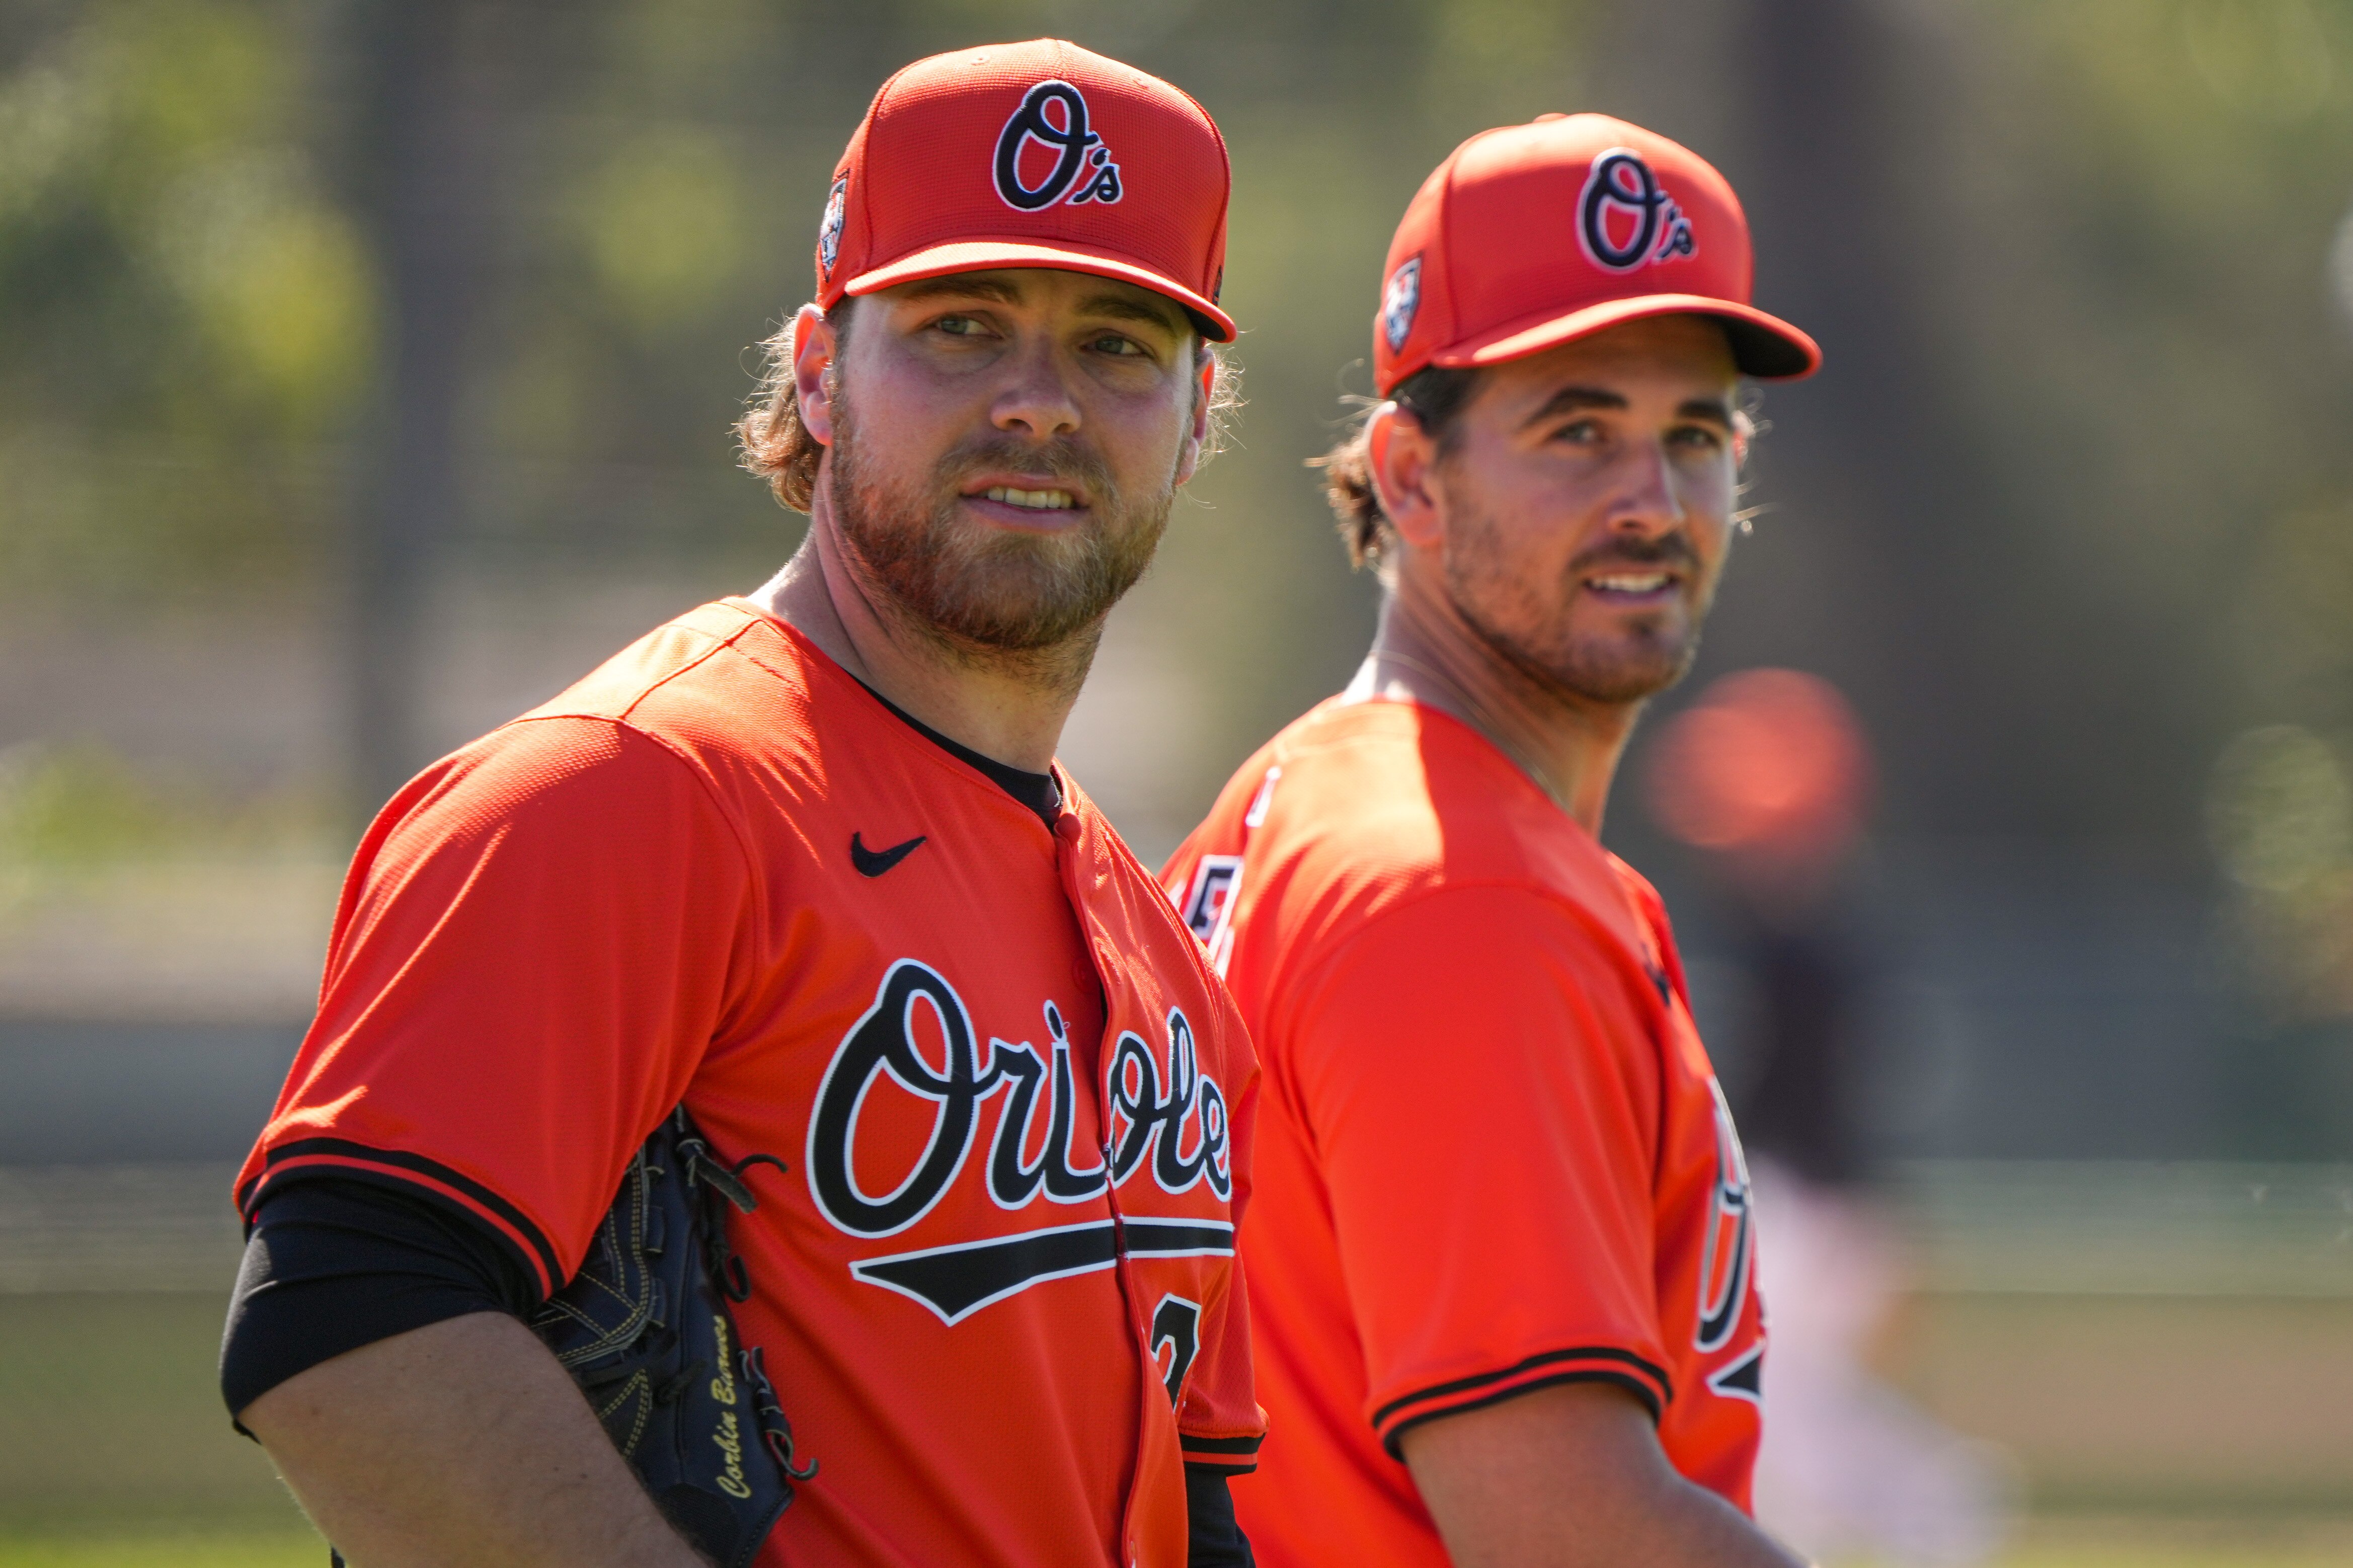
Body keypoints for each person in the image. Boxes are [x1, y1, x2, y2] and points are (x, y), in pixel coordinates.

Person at [222, 39, 1263, 1568]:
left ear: (1196, 415)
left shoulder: (1156, 952)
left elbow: (1200, 1499)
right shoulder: (629, 792)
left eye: (1117, 344)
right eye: (962, 327)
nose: (1038, 404)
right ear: (821, 373)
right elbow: (343, 1332)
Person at [1162, 114, 1821, 1568]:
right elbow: (1564, 1528)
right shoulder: (1458, 891)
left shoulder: (1298, 803)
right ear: (1408, 474)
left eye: (1693, 434)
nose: (1651, 499)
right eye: (1576, 429)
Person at [1644, 670, 2011, 1567]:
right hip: (1807, 1208)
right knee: (1774, 1414)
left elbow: (1791, 1106)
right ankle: (1935, 1506)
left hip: (1813, 1208)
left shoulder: (1814, 940)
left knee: (1767, 1410)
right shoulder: (1794, 930)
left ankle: (1940, 1503)